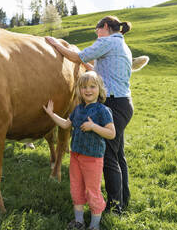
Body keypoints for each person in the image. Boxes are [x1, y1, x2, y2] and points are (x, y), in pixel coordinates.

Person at [45, 15, 134, 214]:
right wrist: (88, 69)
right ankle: (123, 199)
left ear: (104, 27)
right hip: (124, 103)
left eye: (97, 30)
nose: (96, 34)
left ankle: (114, 208)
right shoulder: (122, 45)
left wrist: (55, 44)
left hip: (112, 103)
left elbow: (77, 56)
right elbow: (103, 72)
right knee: (118, 155)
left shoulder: (107, 41)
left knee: (109, 158)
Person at [43, 71, 115, 230]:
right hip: (76, 156)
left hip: (93, 158)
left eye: (92, 86)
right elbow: (66, 125)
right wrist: (51, 114)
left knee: (92, 190)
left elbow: (111, 133)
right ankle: (79, 221)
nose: (88, 90)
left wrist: (94, 127)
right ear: (79, 90)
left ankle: (94, 225)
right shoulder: (77, 109)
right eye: (83, 87)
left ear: (100, 89)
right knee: (76, 188)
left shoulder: (103, 110)